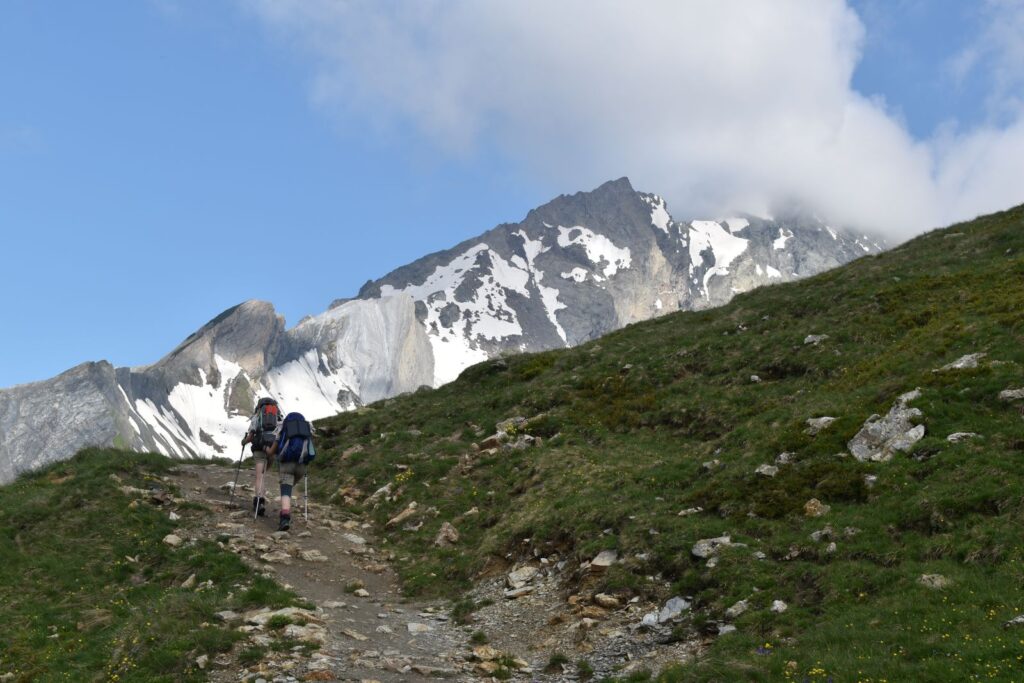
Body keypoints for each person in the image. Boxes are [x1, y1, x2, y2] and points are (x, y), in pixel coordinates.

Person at [266, 412, 315, 531]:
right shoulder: (307, 428)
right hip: (301, 466)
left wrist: (266, 449)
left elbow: (272, 451)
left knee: (286, 491)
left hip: (287, 464)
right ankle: (287, 508)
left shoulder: (283, 427)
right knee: (289, 488)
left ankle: (285, 517)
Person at [241, 397, 281, 517]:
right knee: (263, 475)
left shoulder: (257, 417)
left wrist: (244, 442)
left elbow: (251, 435)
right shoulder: (278, 416)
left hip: (259, 449)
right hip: (272, 449)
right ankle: (261, 499)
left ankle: (259, 501)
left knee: (259, 476)